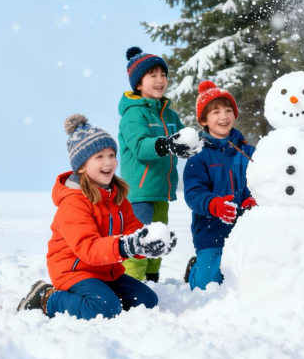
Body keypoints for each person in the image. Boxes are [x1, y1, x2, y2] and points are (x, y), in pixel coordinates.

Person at [17, 115, 176, 320]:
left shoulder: (117, 197)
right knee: (104, 309)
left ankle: (102, 295)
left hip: (107, 272)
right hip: (74, 272)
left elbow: (132, 232)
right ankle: (46, 298)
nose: (109, 162)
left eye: (111, 155)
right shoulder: (73, 202)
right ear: (82, 166)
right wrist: (128, 246)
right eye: (99, 157)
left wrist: (146, 242)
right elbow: (88, 248)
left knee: (146, 301)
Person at [118, 46, 202, 282]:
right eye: (152, 75)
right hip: (139, 192)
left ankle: (152, 280)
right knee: (141, 241)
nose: (159, 80)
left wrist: (193, 145)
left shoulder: (169, 115)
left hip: (161, 192)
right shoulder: (133, 114)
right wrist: (167, 145)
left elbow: (183, 139)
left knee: (159, 238)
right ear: (138, 83)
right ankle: (132, 283)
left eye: (163, 75)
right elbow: (140, 146)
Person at [183, 81, 257, 289]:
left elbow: (264, 182)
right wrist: (213, 204)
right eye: (215, 112)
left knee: (253, 279)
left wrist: (255, 198)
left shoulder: (249, 152)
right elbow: (193, 193)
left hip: (247, 232)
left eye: (228, 110)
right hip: (211, 232)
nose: (223, 117)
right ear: (204, 119)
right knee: (208, 285)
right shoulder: (198, 155)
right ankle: (196, 270)